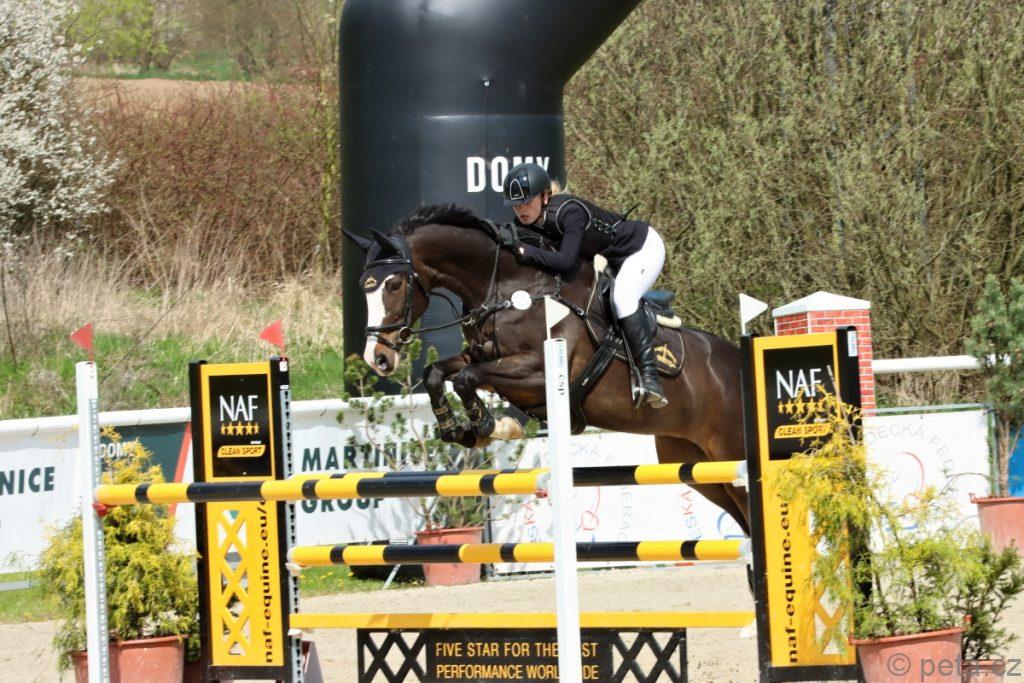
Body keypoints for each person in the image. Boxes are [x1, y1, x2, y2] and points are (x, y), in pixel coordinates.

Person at [501, 162, 667, 408]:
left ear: (545, 196)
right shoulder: (528, 221)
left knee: (623, 297)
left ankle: (650, 377)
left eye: (526, 202)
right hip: (613, 261)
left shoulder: (569, 212)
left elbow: (566, 261)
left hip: (641, 249)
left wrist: (525, 251)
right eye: (516, 205)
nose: (520, 209)